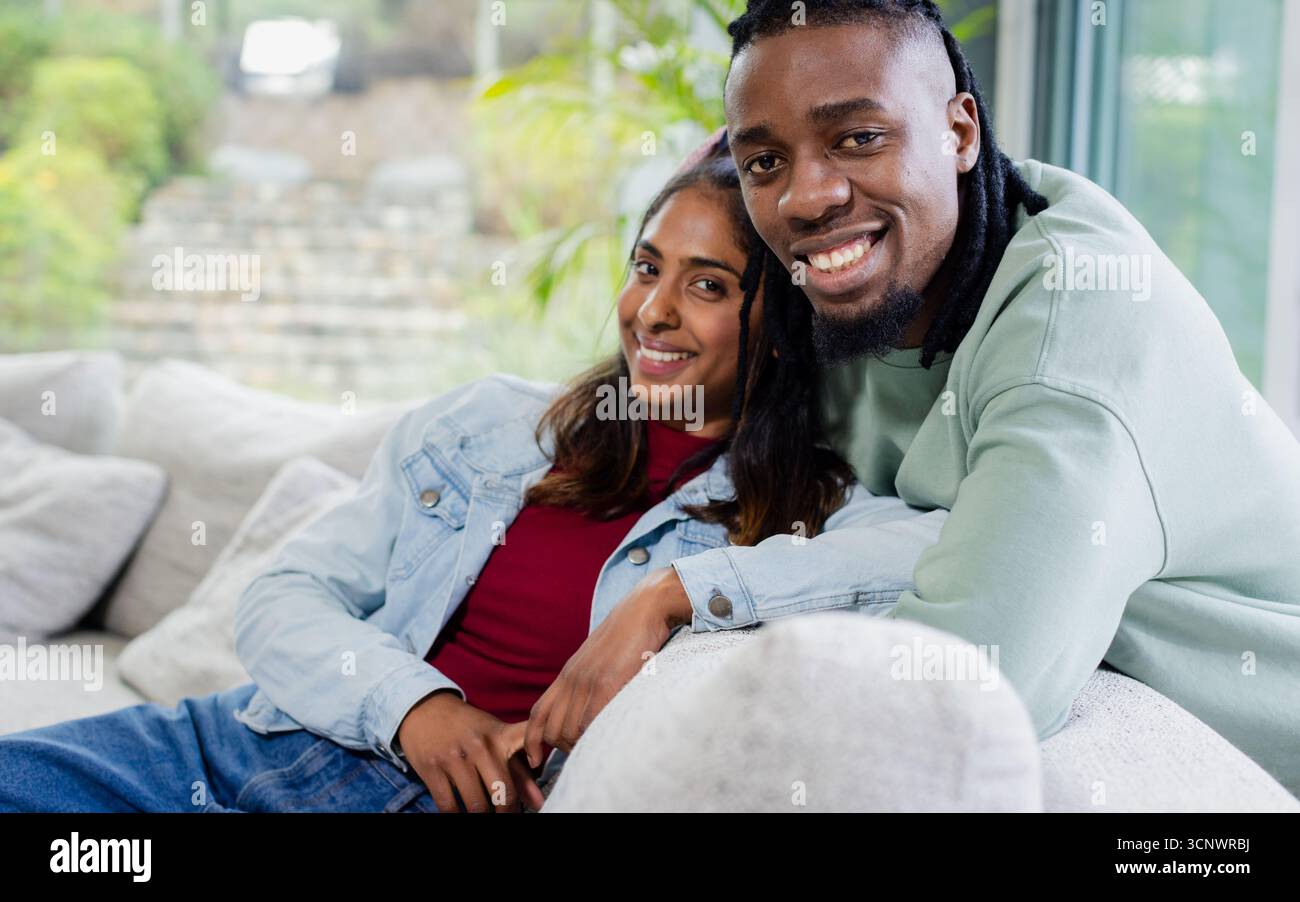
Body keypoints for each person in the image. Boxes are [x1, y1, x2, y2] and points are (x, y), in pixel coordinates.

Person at [0, 144, 939, 813]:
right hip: (250, 740)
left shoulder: (803, 509)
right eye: (646, 267)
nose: (650, 312)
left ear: (777, 323)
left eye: (706, 285)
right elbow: (285, 594)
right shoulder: (491, 424)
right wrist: (415, 706)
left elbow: (929, 550)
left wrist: (675, 591)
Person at [602, 0, 1300, 797]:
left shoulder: (1073, 334)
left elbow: (958, 690)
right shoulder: (837, 278)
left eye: (859, 138)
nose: (808, 196)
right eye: (766, 163)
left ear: (960, 131)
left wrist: (695, 600)